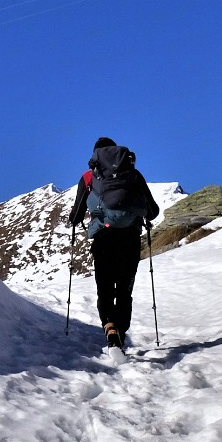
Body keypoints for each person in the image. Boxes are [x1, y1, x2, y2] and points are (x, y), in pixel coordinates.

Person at [68, 137, 160, 350]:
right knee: (124, 290)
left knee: (105, 288)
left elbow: (76, 217)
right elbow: (153, 211)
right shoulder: (133, 175)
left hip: (103, 239)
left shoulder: (88, 177)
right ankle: (121, 331)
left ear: (95, 156)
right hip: (129, 238)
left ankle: (110, 330)